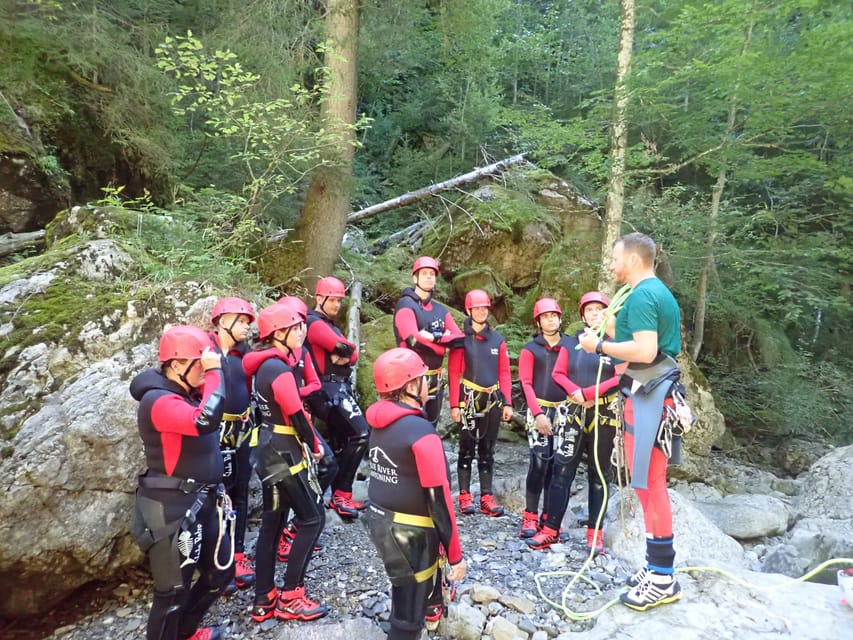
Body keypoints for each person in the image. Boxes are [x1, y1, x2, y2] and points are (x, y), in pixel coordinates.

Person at [578, 232, 684, 610]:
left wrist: (599, 347)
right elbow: (637, 338)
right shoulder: (653, 293)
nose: (610, 264)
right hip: (648, 391)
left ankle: (662, 578)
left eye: (614, 258)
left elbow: (645, 349)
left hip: (651, 394)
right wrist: (606, 326)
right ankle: (656, 567)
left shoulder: (642, 295)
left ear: (634, 261)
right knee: (644, 485)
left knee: (652, 483)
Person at [129, 325, 233, 640]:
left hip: (204, 499)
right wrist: (214, 373)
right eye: (199, 365)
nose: (206, 371)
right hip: (171, 507)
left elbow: (216, 404)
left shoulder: (187, 393)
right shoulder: (156, 401)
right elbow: (204, 421)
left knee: (220, 574)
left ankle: (184, 632)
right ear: (177, 366)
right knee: (172, 591)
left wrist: (213, 365)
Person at [362, 348, 467, 640]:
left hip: (381, 522)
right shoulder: (420, 431)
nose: (428, 385)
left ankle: (424, 606)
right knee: (407, 620)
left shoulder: (378, 423)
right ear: (410, 387)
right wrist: (455, 556)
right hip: (411, 534)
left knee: (404, 593)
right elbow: (439, 498)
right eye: (423, 379)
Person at [243, 303, 328, 623]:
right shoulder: (277, 369)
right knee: (313, 518)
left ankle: (264, 597)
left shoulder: (265, 365)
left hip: (267, 448)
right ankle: (292, 595)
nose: (302, 332)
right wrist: (315, 444)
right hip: (284, 450)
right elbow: (294, 412)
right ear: (278, 334)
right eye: (295, 328)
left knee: (273, 522)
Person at [528, 291, 621, 551]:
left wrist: (590, 393)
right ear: (582, 315)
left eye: (600, 309)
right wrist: (576, 392)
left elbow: (621, 378)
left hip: (603, 415)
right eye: (589, 310)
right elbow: (558, 373)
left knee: (599, 475)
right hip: (574, 411)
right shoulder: (572, 343)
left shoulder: (615, 344)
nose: (594, 314)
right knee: (561, 471)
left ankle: (595, 534)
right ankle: (551, 529)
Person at [305, 276, 369, 519]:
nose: (337, 305)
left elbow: (349, 353)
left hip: (336, 389)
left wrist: (345, 353)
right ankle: (341, 494)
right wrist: (343, 353)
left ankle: (342, 494)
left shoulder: (329, 324)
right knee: (360, 434)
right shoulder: (316, 323)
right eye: (332, 300)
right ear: (319, 298)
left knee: (345, 440)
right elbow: (345, 349)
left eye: (340, 301)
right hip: (328, 390)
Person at [447, 289, 513, 517]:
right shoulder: (460, 340)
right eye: (477, 308)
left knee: (488, 449)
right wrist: (455, 405)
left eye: (484, 307)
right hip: (469, 399)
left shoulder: (498, 340)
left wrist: (507, 403)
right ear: (468, 310)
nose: (481, 311)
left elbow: (504, 373)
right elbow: (454, 372)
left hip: (493, 399)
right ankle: (464, 495)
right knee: (466, 448)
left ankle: (486, 496)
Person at [208, 297, 256, 591]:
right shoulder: (206, 352)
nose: (247, 327)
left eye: (248, 322)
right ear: (222, 320)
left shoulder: (244, 354)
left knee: (240, 490)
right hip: (214, 432)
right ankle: (219, 561)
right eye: (241, 321)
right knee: (217, 495)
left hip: (242, 429)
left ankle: (237, 555)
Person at [517, 298, 570, 539]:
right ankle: (530, 514)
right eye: (545, 316)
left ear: (560, 318)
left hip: (565, 412)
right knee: (538, 464)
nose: (551, 319)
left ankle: (550, 517)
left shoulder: (571, 346)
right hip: (539, 409)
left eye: (554, 315)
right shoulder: (531, 350)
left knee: (559, 466)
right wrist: (538, 414)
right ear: (538, 321)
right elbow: (526, 384)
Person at [392, 256, 464, 427]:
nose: (429, 277)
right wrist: (441, 348)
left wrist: (436, 337)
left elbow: (460, 339)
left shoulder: (440, 310)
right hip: (411, 380)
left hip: (436, 380)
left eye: (432, 274)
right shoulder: (406, 305)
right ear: (415, 278)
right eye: (424, 273)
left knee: (431, 427)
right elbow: (413, 340)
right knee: (411, 427)